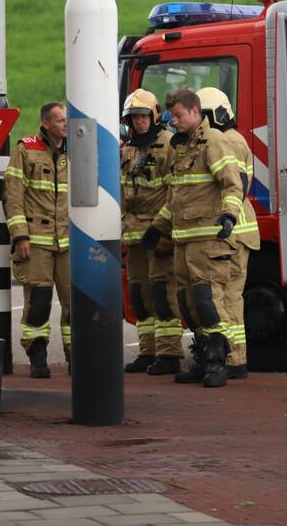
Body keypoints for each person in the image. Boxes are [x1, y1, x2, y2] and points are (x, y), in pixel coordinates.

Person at [143, 88, 245, 388]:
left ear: (195, 112)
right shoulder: (182, 147)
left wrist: (229, 216)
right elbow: (176, 196)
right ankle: (203, 360)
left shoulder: (212, 141)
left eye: (178, 116)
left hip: (208, 240)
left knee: (207, 301)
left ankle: (218, 363)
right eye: (171, 117)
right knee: (188, 304)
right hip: (183, 242)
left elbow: (232, 185)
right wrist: (156, 227)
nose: (173, 122)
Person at [195, 87, 259, 380]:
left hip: (230, 232)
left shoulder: (224, 141)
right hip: (240, 231)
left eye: (203, 114)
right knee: (232, 296)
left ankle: (230, 358)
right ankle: (236, 358)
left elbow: (230, 187)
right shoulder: (236, 139)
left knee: (223, 296)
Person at [4, 101, 70, 377]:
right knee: (39, 300)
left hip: (68, 242)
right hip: (37, 239)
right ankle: (37, 354)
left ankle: (76, 356)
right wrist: (20, 236)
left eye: (67, 120)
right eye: (60, 120)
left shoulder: (79, 149)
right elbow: (13, 196)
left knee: (74, 302)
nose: (66, 124)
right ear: (45, 123)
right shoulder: (26, 149)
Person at [120, 89, 184, 375]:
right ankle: (147, 351)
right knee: (138, 295)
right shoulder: (128, 149)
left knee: (162, 293)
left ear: (154, 116)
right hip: (133, 236)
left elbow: (176, 190)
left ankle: (169, 354)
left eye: (144, 116)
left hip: (158, 233)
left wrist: (163, 229)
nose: (139, 123)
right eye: (134, 117)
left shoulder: (169, 144)